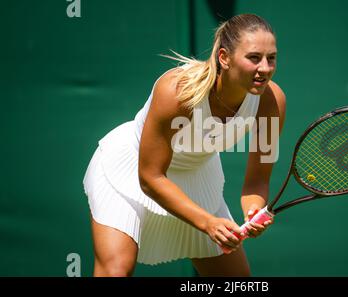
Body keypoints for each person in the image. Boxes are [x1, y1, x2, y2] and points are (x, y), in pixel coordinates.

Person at [82, 13, 286, 277]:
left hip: (199, 179)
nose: (265, 68)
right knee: (116, 270)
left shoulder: (271, 102)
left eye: (272, 58)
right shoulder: (176, 91)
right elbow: (150, 177)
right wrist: (207, 223)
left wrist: (253, 210)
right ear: (224, 58)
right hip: (130, 172)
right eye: (254, 58)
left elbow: (257, 181)